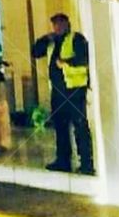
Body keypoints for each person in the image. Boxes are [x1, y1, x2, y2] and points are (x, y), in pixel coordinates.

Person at [32, 13, 94, 175]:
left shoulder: (76, 39)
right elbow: (35, 52)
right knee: (60, 125)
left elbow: (84, 59)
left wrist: (65, 63)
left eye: (60, 24)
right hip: (58, 91)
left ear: (67, 24)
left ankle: (86, 162)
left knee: (79, 125)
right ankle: (63, 160)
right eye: (55, 24)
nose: (57, 27)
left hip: (74, 89)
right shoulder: (52, 42)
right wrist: (46, 38)